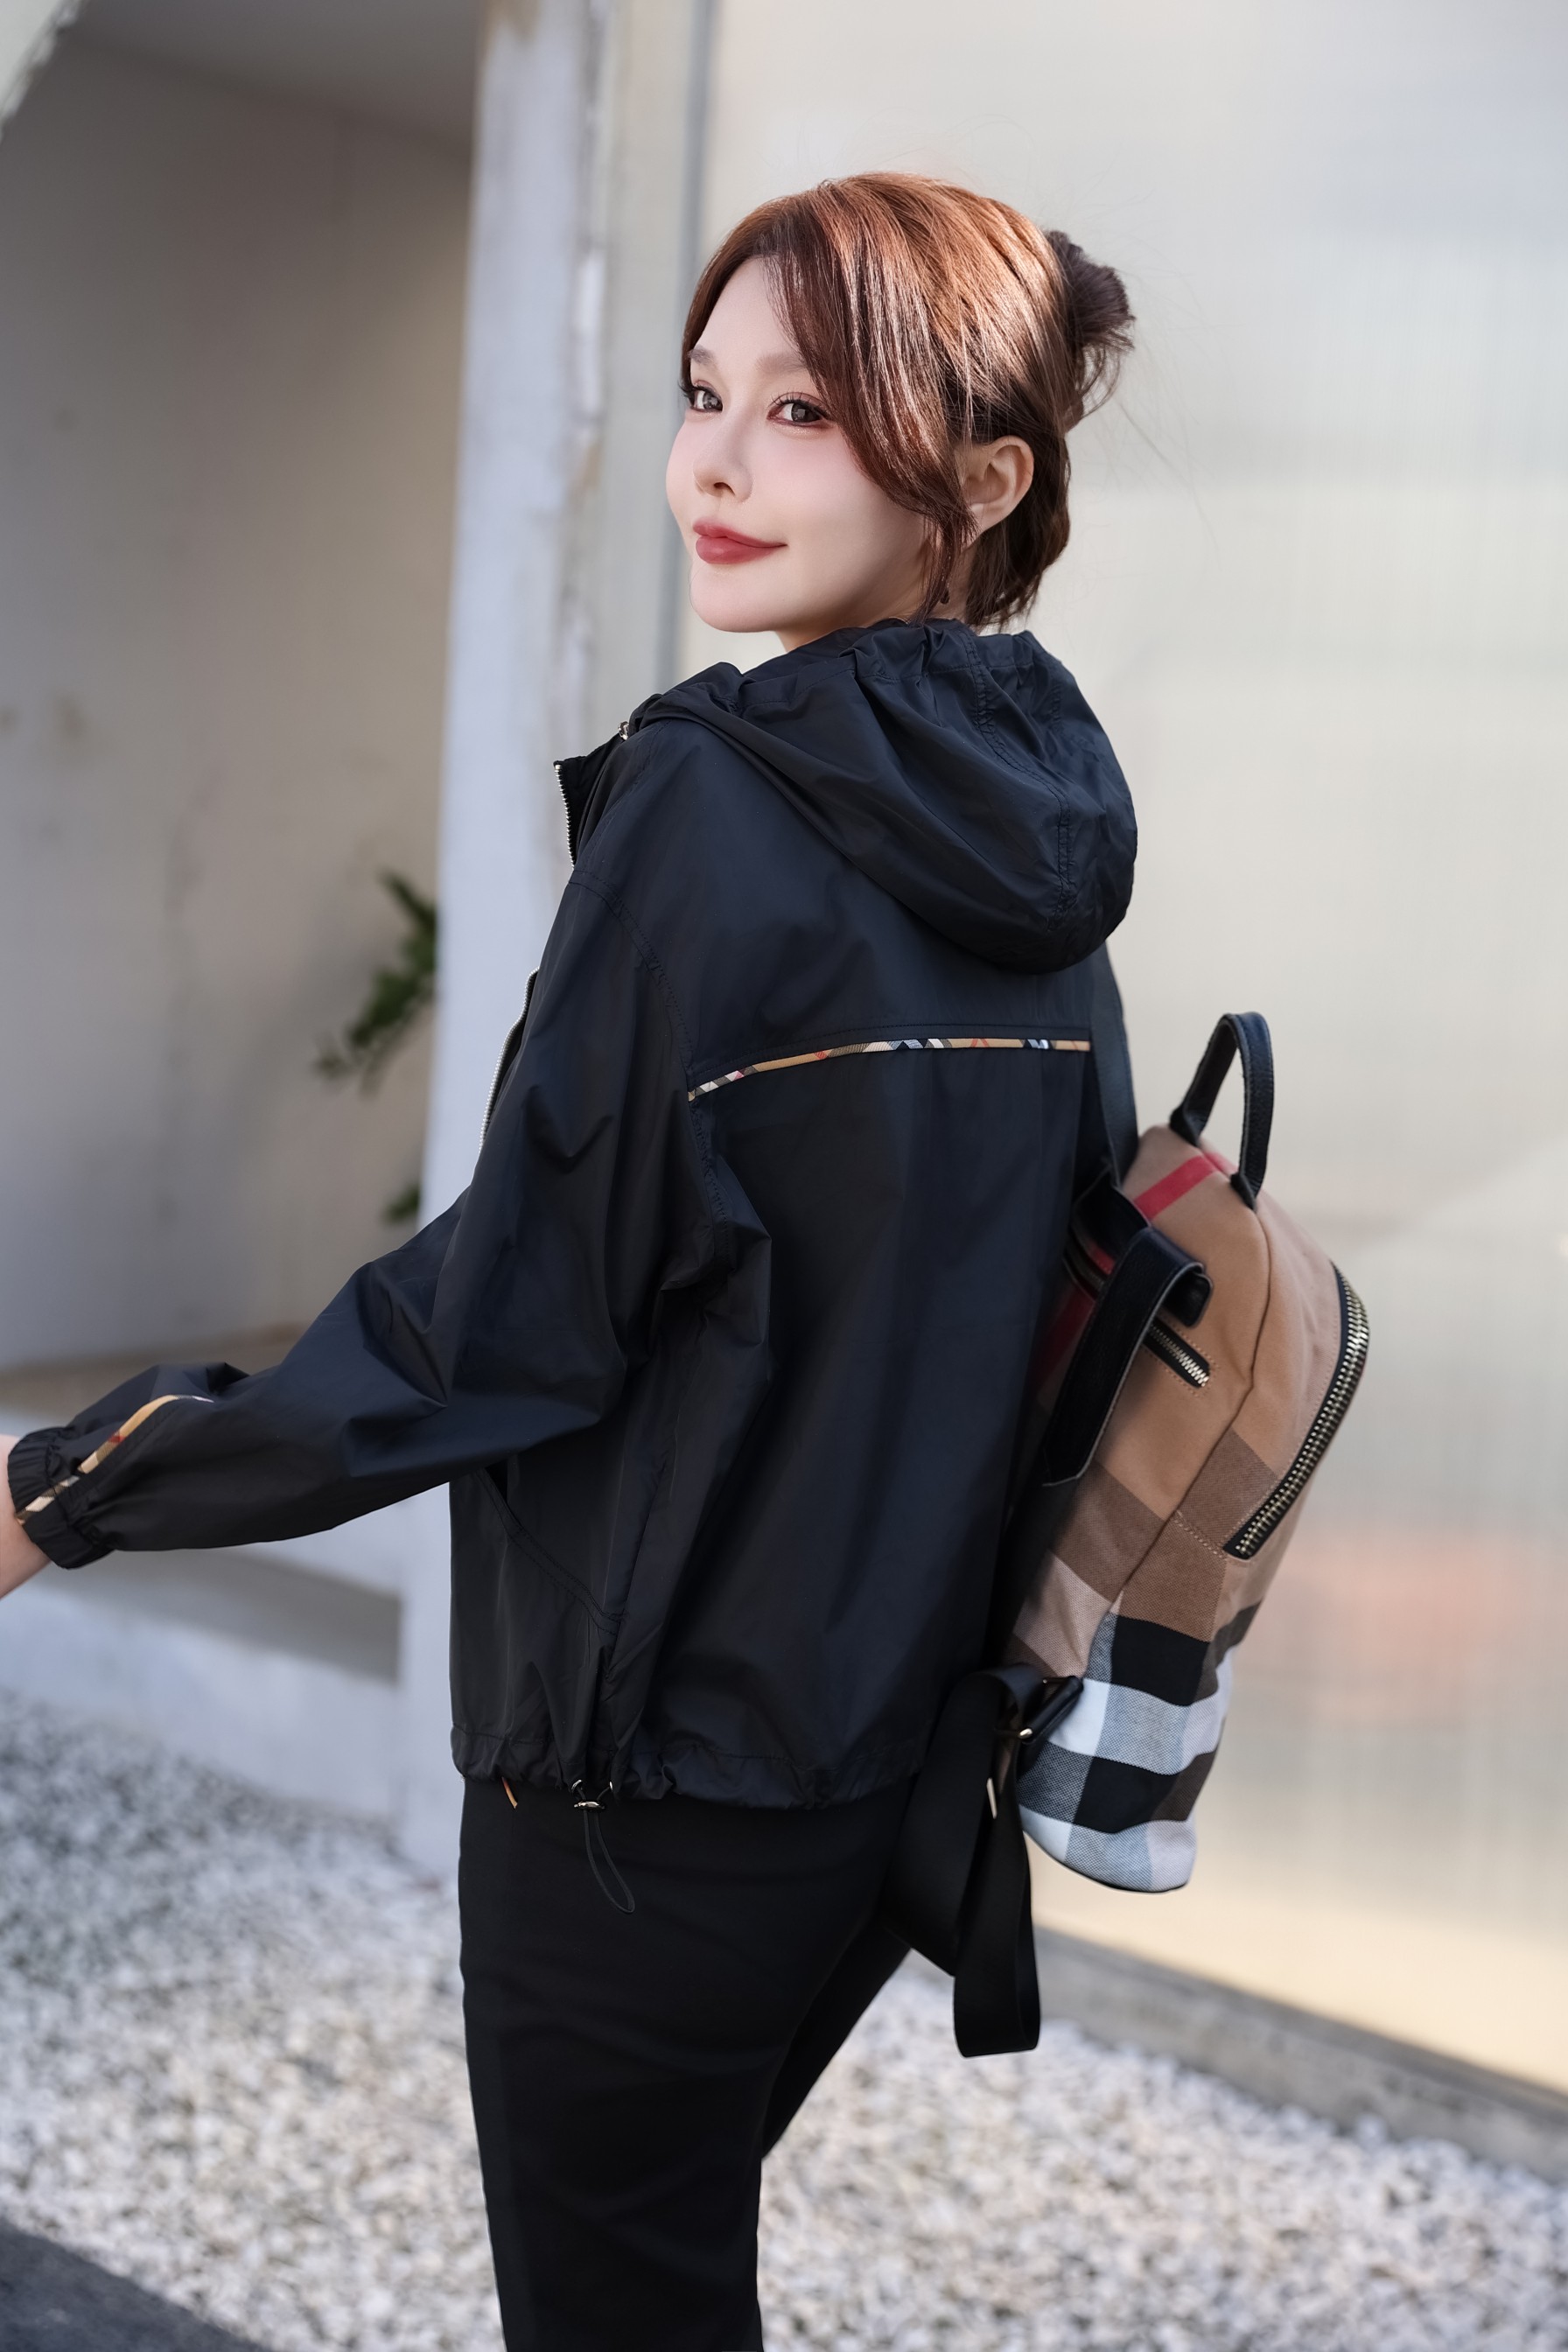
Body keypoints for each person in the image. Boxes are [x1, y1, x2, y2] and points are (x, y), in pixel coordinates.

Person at [2, 174, 1138, 2350]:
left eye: (802, 413)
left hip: (643, 1794)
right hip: (886, 1779)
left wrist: (73, 1485)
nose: (715, 463)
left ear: (984, 481)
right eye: (706, 394)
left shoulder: (718, 804)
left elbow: (505, 1320)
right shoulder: (1043, 826)